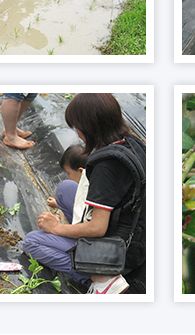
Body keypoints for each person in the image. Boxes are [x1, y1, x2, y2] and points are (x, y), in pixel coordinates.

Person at [23, 93, 146, 294]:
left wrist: (56, 228)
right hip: (135, 233)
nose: (78, 133)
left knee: (32, 242)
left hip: (117, 253)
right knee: (65, 189)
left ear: (89, 127)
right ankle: (82, 249)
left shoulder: (107, 166)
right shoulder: (133, 143)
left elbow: (97, 228)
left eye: (77, 127)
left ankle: (100, 280)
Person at [46, 144, 88, 224]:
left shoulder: (87, 189)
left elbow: (80, 209)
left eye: (68, 173)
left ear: (80, 171)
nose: (68, 176)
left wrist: (59, 205)